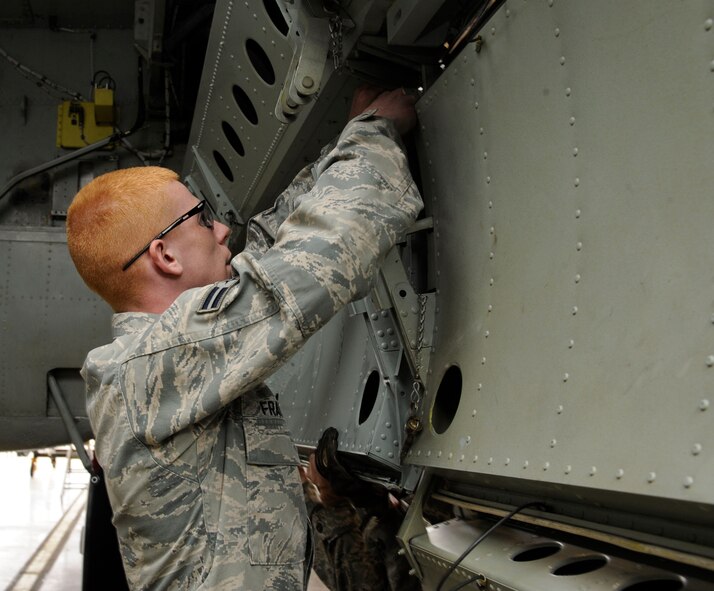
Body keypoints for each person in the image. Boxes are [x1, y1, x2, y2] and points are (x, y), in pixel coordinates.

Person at [65, 85, 422, 590]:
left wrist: (344, 140)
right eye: (203, 217)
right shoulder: (161, 358)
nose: (222, 231)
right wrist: (375, 129)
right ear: (165, 255)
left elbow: (267, 246)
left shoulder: (157, 357)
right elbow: (324, 255)